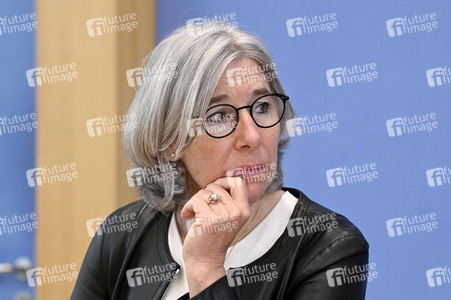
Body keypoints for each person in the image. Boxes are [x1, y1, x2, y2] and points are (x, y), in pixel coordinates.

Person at [71, 22, 369, 299]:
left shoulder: (330, 246)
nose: (251, 136)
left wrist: (206, 267)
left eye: (263, 106)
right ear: (170, 141)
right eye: (219, 116)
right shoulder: (123, 234)